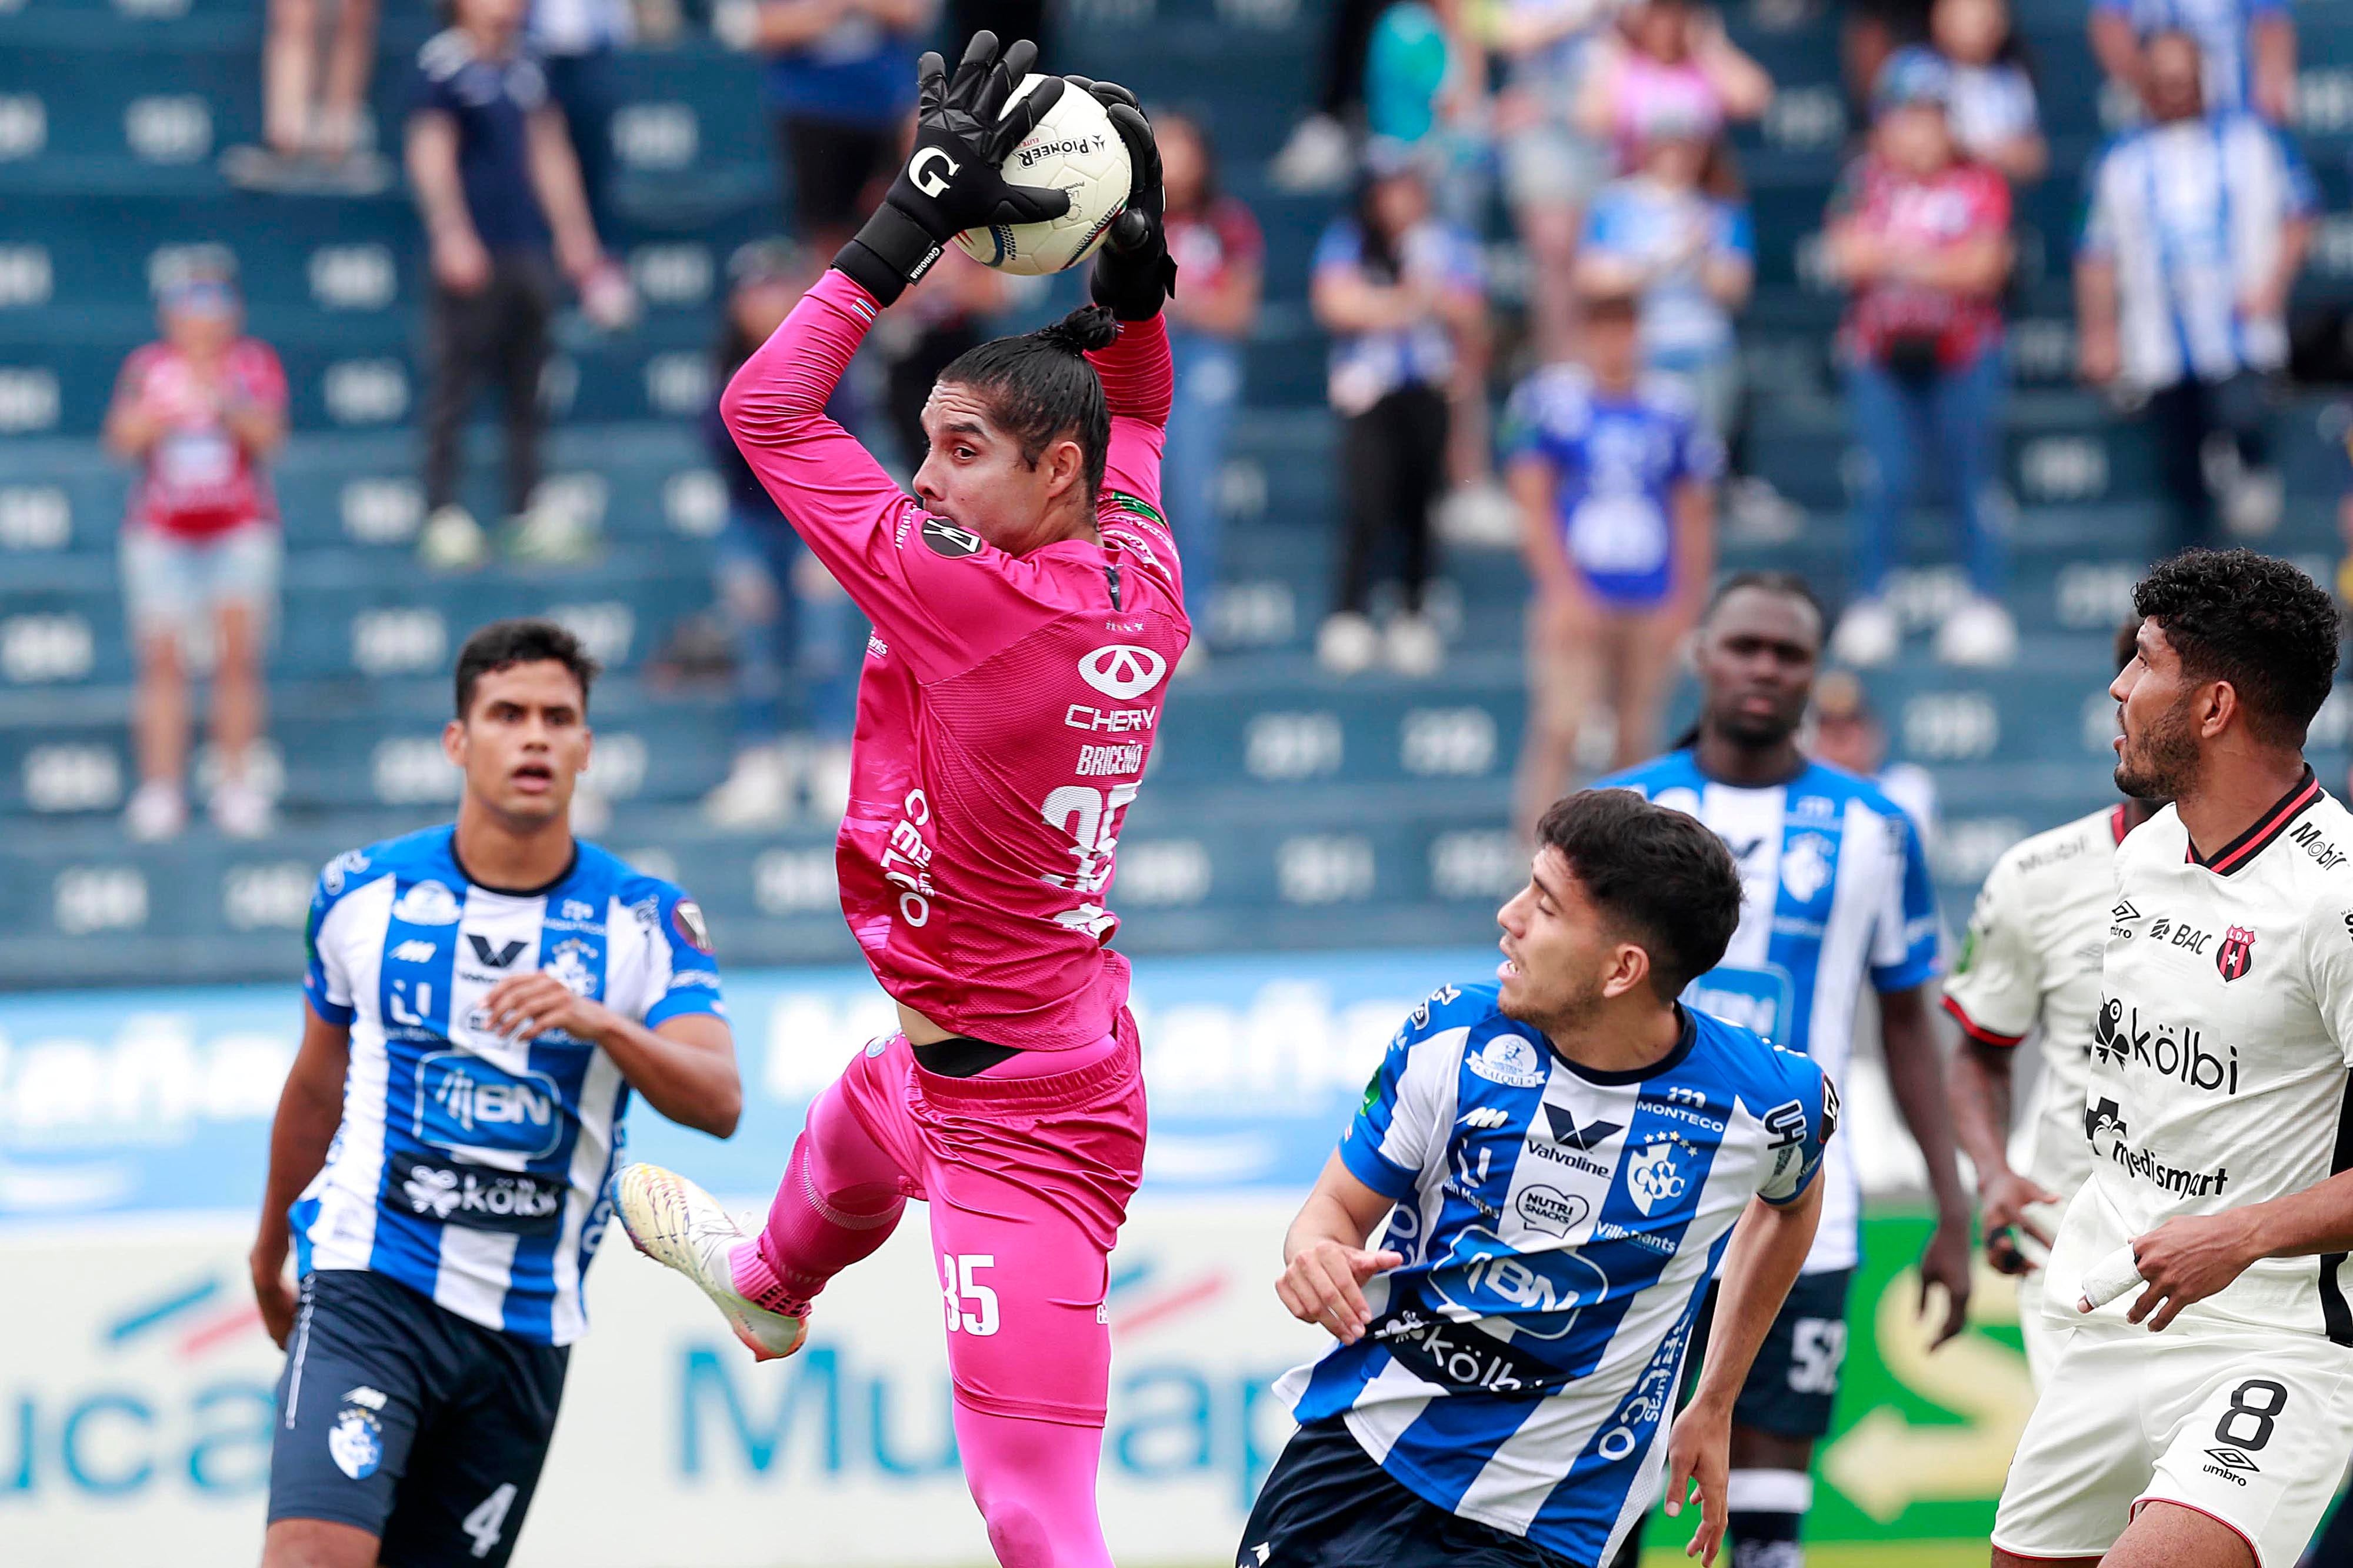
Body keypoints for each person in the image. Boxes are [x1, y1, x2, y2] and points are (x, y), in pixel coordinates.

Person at [606, 39, 1184, 1568]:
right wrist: (1132, 271)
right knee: (862, 1123)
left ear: (1054, 471)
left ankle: (773, 1282)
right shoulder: (1134, 553)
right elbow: (1132, 402)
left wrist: (909, 219)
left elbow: (772, 409)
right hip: (990, 1040)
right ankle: (769, 1282)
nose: (920, 485)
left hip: (1027, 1125)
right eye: (923, 444)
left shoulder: (977, 607)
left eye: (961, 452)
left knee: (1029, 1513)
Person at [249, 618, 742, 1568]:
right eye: (508, 714)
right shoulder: (363, 893)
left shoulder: (645, 919)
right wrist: (271, 1245)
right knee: (313, 1554)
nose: (535, 737)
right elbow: (317, 1085)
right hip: (369, 1284)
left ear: (587, 747)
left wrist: (602, 1022)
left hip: (524, 1324)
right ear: (458, 740)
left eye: (559, 718)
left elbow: (719, 1099)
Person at [1242, 787, 1835, 1568]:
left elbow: (1791, 1201)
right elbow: (1332, 1213)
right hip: (1362, 1454)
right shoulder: (1449, 1033)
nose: (1509, 915)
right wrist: (1315, 1251)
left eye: (1546, 906)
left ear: (1624, 967)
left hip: (1551, 1518)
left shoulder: (1769, 1101)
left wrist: (1715, 1397)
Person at [1598, 571, 1973, 1568]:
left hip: (1809, 1214)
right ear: (1702, 653)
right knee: (1606, 1511)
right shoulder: (1626, 810)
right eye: (1746, 646)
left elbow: (1905, 1023)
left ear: (1815, 671)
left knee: (1764, 1530)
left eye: (1789, 653)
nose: (1765, 669)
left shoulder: (1877, 826)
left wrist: (1951, 1206)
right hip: (1636, 1206)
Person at [1989, 549, 2353, 1568]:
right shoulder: (2146, 858)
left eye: (2145, 661)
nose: (2117, 685)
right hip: (2114, 1318)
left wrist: (2237, 1234)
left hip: (2277, 1340)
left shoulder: (2337, 899)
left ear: (2213, 707)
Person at [1942, 619, 2159, 1386]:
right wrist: (1996, 1173)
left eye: (2154, 672)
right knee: (2102, 1510)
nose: (2127, 695)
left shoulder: (2321, 879)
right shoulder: (2038, 873)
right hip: (2078, 1259)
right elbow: (1979, 1050)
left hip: (2251, 1271)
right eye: (2127, 674)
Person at [2077, 30, 2314, 551]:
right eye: (2162, 79)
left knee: (2241, 413)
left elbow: (2300, 215)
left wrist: (2272, 284)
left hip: (2241, 331)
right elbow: (2094, 253)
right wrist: (2099, 332)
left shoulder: (2253, 141)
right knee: (2182, 484)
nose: (2175, 90)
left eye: (2185, 77)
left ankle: (2241, 463)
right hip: (2159, 341)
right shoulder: (2118, 161)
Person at [408, 0, 624, 572]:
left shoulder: (528, 67)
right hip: (474, 248)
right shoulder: (443, 67)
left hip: (526, 247)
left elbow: (549, 152)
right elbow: (431, 152)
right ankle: (442, 511)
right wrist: (450, 232)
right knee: (453, 384)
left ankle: (525, 508)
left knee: (531, 385)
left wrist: (576, 238)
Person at [1822, 51, 2016, 670]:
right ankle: (1871, 600)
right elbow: (1842, 257)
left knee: (1969, 475)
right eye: (1905, 117)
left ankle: (1982, 599)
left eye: (1930, 117)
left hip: (1963, 350)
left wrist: (1895, 256)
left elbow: (1983, 267)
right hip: (1879, 352)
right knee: (1885, 477)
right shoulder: (1863, 177)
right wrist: (1934, 261)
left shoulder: (1977, 180)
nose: (1918, 131)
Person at [1506, 289, 1719, 830]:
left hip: (1649, 592)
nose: (1613, 341)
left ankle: (1624, 876)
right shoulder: (1552, 401)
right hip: (1581, 588)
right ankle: (1533, 862)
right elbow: (1532, 498)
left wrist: (1687, 600)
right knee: (1562, 725)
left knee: (1636, 737)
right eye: (1601, 327)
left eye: (1623, 327)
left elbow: (1694, 508)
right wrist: (1562, 590)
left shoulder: (1672, 406)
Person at [105, 269, 289, 843]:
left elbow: (271, 439)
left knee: (238, 658)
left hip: (238, 529)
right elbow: (119, 441)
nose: (202, 329)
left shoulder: (253, 365)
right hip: (161, 532)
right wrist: (163, 409)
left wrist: (224, 402)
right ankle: (162, 787)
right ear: (171, 320)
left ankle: (235, 784)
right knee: (162, 660)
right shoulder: (147, 367)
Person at [698, 241, 862, 829]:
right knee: (757, 644)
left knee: (823, 642)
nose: (764, 304)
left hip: (816, 520)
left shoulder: (829, 363)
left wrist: (827, 545)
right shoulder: (723, 368)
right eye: (755, 292)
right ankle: (760, 760)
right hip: (750, 521)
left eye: (776, 290)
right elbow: (725, 457)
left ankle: (833, 757)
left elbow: (845, 452)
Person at [1311, 140, 1485, 679]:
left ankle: (1413, 611)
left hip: (1428, 386)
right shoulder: (1351, 240)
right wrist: (1412, 304)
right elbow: (1335, 304)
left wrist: (1402, 306)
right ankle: (1350, 613)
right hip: (1368, 391)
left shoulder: (1448, 241)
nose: (1400, 200)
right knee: (1367, 500)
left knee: (1421, 502)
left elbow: (1471, 314)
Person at [1158, 108, 1265, 657]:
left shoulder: (1228, 223)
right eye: (1161, 148)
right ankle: (1143, 615)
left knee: (1192, 490)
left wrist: (1171, 299)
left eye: (1181, 149)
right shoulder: (1128, 221)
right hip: (1142, 360)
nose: (1171, 163)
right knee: (1137, 494)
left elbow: (1237, 314)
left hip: (1203, 362)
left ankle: (1190, 616)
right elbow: (1102, 300)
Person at [1575, 118, 1753, 442]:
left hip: (1704, 350)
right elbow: (1591, 280)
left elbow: (1736, 289)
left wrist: (1700, 256)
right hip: (1641, 353)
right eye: (1667, 146)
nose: (1676, 157)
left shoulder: (1720, 208)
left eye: (1686, 148)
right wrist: (1660, 261)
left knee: (1702, 458)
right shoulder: (1615, 203)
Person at [752, 0, 938, 255]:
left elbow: (909, 12)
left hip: (889, 106)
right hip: (813, 112)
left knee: (903, 221)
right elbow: (763, 28)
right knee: (828, 232)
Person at [1896, 0, 2044, 182]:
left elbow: (2034, 158)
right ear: (1940, 15)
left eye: (1987, 13)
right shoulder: (1914, 70)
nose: (1978, 22)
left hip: (1989, 201)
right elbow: (1888, 141)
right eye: (1966, 12)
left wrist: (1996, 156)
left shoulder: (2011, 80)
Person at [2089, 0, 2294, 121]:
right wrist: (2152, 91)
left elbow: (2271, 22)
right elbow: (2109, 24)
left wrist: (2270, 86)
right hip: (2156, 127)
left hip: (2237, 113)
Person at [1808, 668, 1939, 846]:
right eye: (1828, 727)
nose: (1840, 738)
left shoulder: (1907, 785)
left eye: (1850, 724)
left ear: (1873, 731)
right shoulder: (1798, 791)